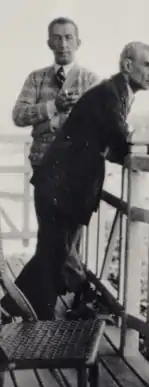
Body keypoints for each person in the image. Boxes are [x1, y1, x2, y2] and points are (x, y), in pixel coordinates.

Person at [1, 17, 99, 321]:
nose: (63, 44)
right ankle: (79, 297)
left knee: (58, 243)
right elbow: (19, 115)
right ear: (49, 43)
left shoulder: (90, 81)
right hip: (45, 172)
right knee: (55, 240)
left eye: (69, 37)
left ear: (78, 43)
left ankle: (23, 303)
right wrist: (52, 107)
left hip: (77, 176)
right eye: (57, 38)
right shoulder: (37, 79)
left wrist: (49, 126)